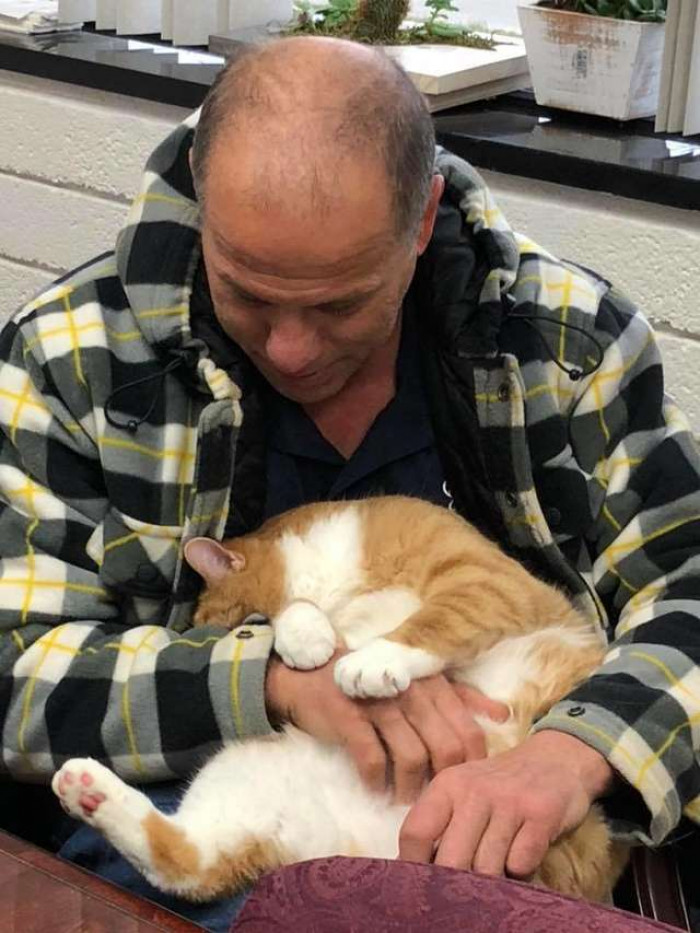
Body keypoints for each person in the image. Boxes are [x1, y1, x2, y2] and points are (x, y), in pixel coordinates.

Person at [1, 35, 699, 931]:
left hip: (514, 817)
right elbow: (18, 674)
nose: (292, 349)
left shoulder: (569, 343)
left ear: (422, 223)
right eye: (249, 294)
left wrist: (573, 753)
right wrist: (269, 682)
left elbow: (686, 584)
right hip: (231, 824)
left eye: (341, 302)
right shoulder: (66, 358)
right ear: (204, 216)